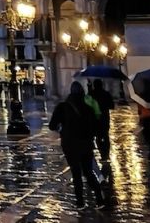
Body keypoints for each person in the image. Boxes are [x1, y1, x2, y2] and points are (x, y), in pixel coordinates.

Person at [49, 82, 105, 210]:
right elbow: (96, 127)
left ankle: (80, 202)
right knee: (89, 172)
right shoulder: (88, 108)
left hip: (70, 145)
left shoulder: (62, 107)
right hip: (86, 144)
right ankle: (99, 199)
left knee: (76, 173)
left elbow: (52, 125)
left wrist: (62, 128)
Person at [89, 79, 115, 167]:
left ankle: (102, 154)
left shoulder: (91, 94)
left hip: (95, 119)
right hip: (105, 118)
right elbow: (112, 106)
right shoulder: (106, 94)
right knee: (105, 136)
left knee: (98, 137)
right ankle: (106, 154)